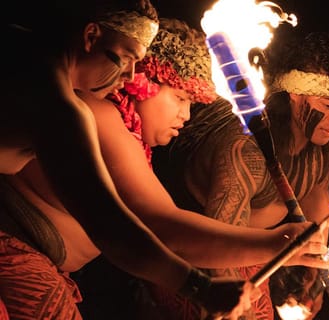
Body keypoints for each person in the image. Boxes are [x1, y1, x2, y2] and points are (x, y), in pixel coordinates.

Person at [0, 1, 252, 318]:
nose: (131, 74)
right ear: (91, 36)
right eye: (128, 57)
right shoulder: (58, 102)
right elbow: (110, 224)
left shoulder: (26, 52)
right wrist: (198, 287)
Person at [150, 25, 329, 319]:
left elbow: (317, 195)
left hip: (262, 255)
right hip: (196, 259)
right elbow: (218, 250)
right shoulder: (245, 150)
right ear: (295, 95)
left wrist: (311, 277)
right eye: (328, 104)